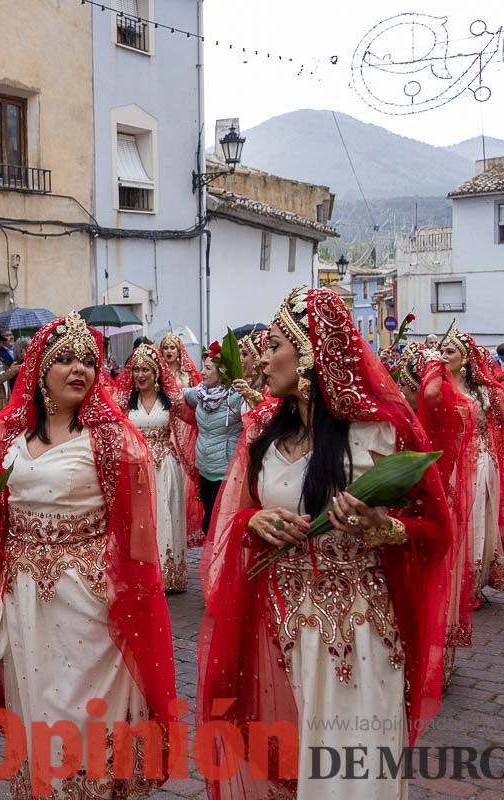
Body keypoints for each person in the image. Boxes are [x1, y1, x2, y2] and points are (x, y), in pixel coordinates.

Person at [199, 286, 453, 800]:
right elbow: (241, 516)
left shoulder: (382, 431)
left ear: (311, 350)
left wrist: (384, 529)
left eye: (274, 345)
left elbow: (438, 532)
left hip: (357, 633)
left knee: (351, 775)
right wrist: (255, 522)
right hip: (277, 626)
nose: (262, 358)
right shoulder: (265, 432)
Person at [0, 312, 177, 798]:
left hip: (87, 602)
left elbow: (140, 538)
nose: (78, 368)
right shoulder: (6, 437)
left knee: (82, 713)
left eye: (87, 360)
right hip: (24, 598)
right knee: (35, 705)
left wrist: (126, 595)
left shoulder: (113, 440)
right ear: (39, 370)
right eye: (64, 358)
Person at [439, 327, 504, 606]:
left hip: (480, 464)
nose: (443, 355)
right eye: (442, 350)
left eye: (450, 351)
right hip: (447, 464)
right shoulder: (437, 387)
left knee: (473, 521)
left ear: (465, 359)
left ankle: (469, 584)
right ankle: (446, 581)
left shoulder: (484, 391)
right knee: (449, 522)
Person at [395, 342, 475, 688]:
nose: (399, 391)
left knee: (428, 584)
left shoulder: (444, 410)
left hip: (429, 510)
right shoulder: (446, 410)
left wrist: (430, 363)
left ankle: (426, 661)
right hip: (434, 505)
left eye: (405, 385)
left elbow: (429, 394)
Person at [113, 342, 189, 592]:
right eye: (136, 370)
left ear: (156, 373)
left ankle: (168, 575)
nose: (140, 375)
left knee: (165, 515)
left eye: (146, 369)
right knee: (140, 518)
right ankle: (142, 572)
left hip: (165, 466)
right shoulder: (125, 401)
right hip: (136, 469)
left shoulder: (172, 400)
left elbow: (192, 422)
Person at [182, 352, 245, 534]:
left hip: (225, 471)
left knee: (220, 523)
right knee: (208, 520)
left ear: (221, 374)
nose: (202, 372)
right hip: (205, 468)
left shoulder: (237, 397)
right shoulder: (201, 393)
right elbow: (180, 394)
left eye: (208, 368)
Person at [158, 331, 204, 545]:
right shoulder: (157, 373)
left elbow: (199, 400)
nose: (168, 351)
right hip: (166, 426)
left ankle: (183, 524)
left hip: (185, 429)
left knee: (185, 478)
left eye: (172, 348)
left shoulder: (188, 374)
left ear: (179, 351)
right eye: (165, 347)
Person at [233, 328, 268, 408]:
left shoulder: (271, 387)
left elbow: (270, 406)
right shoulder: (249, 384)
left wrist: (252, 394)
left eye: (245, 354)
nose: (240, 359)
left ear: (258, 358)